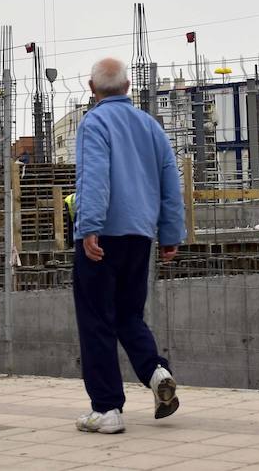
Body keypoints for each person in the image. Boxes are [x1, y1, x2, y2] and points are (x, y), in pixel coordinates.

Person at [72, 57, 184, 435]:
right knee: (128, 315)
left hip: (102, 236)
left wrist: (88, 226)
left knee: (96, 320)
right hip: (140, 236)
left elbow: (95, 178)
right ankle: (156, 372)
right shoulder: (150, 127)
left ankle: (106, 409)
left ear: (92, 88)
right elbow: (171, 182)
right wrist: (170, 234)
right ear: (128, 86)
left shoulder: (94, 123)